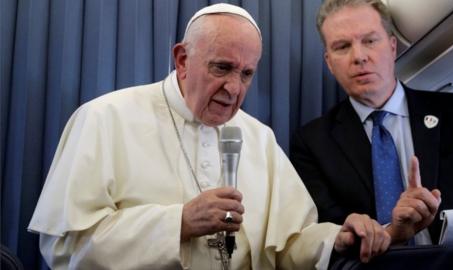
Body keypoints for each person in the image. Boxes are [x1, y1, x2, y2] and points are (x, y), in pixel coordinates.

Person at [28, 3, 391, 270]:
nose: (234, 88)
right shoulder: (105, 118)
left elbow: (290, 243)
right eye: (222, 68)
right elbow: (64, 247)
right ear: (183, 60)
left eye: (247, 74)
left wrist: (335, 238)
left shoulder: (259, 138)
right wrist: (179, 222)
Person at [291, 0, 453, 246]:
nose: (359, 57)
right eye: (342, 46)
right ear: (329, 62)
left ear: (392, 47)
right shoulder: (312, 143)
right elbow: (326, 239)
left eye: (370, 41)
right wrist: (390, 231)